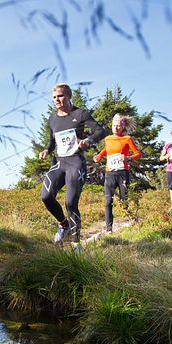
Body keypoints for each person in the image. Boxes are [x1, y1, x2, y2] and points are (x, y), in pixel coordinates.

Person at [39, 83, 107, 247]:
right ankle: (64, 224)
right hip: (59, 163)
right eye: (54, 97)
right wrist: (46, 150)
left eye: (60, 96)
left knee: (70, 203)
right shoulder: (53, 119)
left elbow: (100, 131)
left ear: (68, 96)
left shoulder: (80, 113)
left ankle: (76, 245)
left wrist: (88, 141)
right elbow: (51, 141)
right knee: (46, 196)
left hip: (75, 162)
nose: (57, 100)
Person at [93, 114, 142, 233]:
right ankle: (109, 228)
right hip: (110, 173)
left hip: (123, 172)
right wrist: (99, 155)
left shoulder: (127, 139)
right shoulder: (108, 139)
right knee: (108, 201)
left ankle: (130, 222)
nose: (116, 128)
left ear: (123, 126)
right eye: (114, 125)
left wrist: (128, 158)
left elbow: (138, 154)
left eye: (118, 126)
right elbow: (107, 149)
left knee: (124, 199)